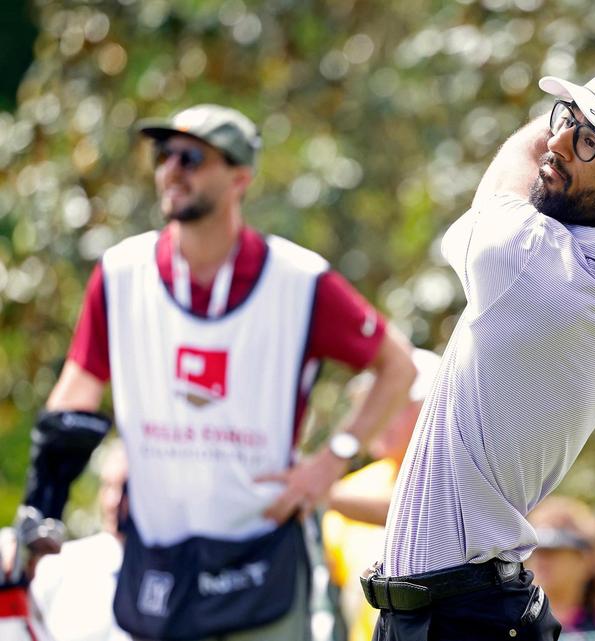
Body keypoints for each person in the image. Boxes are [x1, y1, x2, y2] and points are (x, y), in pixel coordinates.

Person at [359, 34, 595, 640]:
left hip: (459, 619)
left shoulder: (519, 260)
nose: (559, 142)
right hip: (477, 609)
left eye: (589, 140)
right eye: (569, 120)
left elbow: (523, 152)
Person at [13, 103, 417, 641]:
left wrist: (331, 463)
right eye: (164, 154)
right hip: (156, 558)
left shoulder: (298, 280)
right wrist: (40, 511)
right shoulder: (120, 273)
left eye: (192, 157)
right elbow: (74, 398)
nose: (172, 169)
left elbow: (397, 364)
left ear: (240, 177)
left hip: (258, 558)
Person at [322, 348, 442, 641]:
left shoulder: (457, 474)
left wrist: (319, 491)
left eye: (397, 405)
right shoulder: (356, 486)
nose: (380, 416)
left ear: (431, 409)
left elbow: (420, 511)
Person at [30, 439, 131, 641]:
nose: (113, 502)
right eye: (108, 486)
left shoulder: (182, 577)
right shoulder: (61, 565)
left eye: (126, 490)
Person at [525, 496, 595, 633]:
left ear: (587, 560)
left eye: (553, 551)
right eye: (536, 550)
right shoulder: (511, 622)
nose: (541, 560)